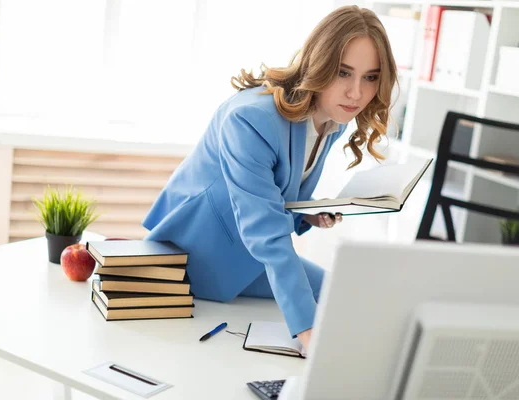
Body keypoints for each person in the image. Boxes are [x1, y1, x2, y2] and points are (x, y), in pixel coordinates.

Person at [143, 5, 397, 350]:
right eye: (343, 72)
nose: (356, 92)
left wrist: (302, 212)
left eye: (370, 77)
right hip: (196, 260)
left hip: (249, 255)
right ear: (318, 63)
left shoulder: (333, 119)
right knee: (320, 318)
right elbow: (265, 229)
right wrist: (307, 334)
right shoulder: (250, 119)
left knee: (347, 297)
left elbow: (269, 192)